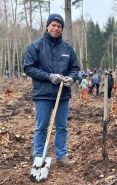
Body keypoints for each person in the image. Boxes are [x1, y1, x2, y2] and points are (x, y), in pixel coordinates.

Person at [23, 13, 79, 167]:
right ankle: (38, 156)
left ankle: (61, 156)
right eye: (53, 25)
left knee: (62, 126)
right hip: (43, 94)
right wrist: (49, 76)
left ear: (62, 29)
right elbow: (28, 68)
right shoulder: (35, 46)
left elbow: (75, 68)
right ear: (47, 26)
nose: (56, 28)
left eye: (59, 26)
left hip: (63, 94)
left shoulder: (67, 48)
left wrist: (72, 78)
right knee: (41, 126)